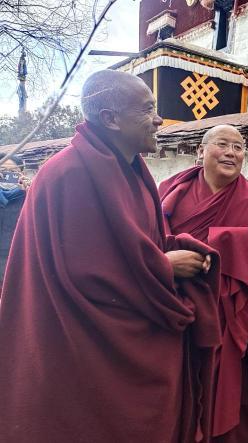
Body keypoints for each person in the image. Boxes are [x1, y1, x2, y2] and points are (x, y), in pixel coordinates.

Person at [0, 70, 221, 442]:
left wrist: (173, 248)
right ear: (111, 119)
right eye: (147, 109)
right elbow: (83, 273)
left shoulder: (130, 170)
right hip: (80, 346)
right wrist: (164, 266)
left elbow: (133, 243)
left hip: (120, 332)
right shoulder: (68, 174)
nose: (159, 119)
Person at [159, 124, 248, 443]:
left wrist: (226, 243)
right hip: (177, 311)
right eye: (222, 144)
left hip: (228, 318)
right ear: (201, 151)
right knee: (174, 397)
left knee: (227, 398)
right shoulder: (171, 192)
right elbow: (148, 239)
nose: (231, 153)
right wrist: (171, 261)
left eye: (238, 147)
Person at [0, 154, 30, 285]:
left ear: (21, 174)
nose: (8, 175)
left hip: (20, 258)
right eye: (3, 171)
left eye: (13, 172)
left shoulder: (29, 196)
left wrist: (30, 192)